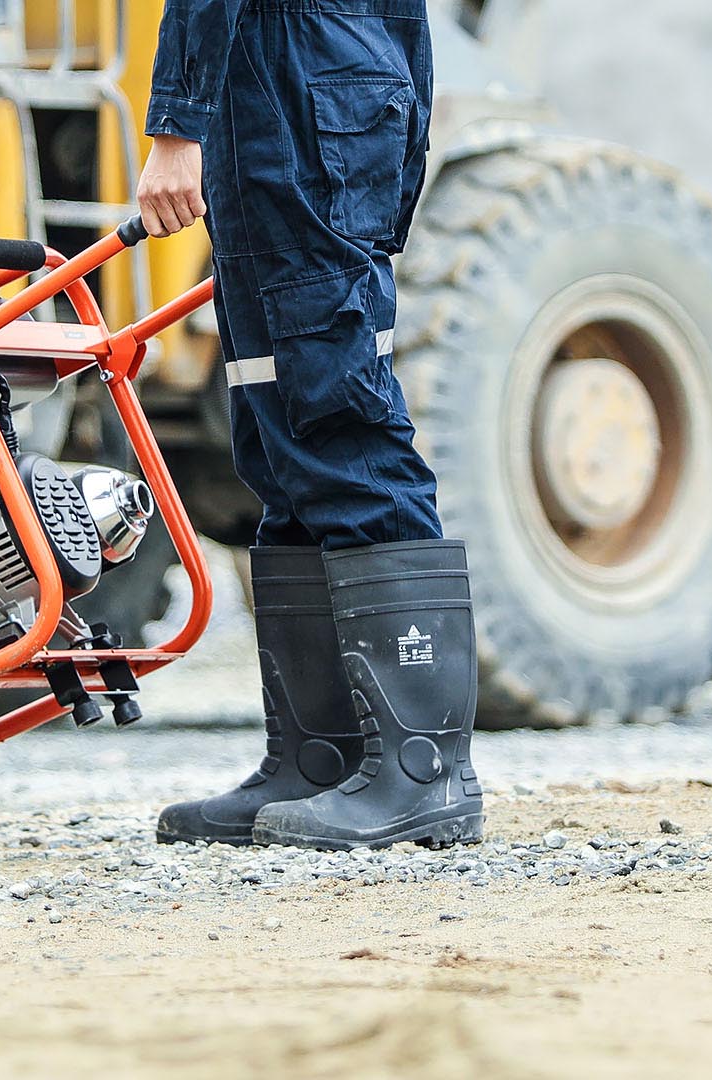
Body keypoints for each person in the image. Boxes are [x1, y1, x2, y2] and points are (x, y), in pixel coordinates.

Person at [135, 0, 483, 849]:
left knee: (336, 417)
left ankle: (420, 771)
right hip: (326, 107)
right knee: (277, 428)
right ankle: (318, 759)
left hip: (294, 110)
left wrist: (177, 129)